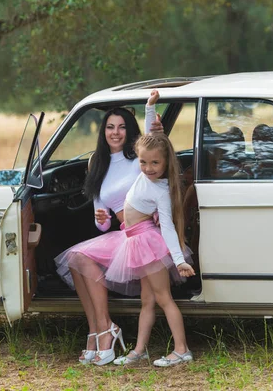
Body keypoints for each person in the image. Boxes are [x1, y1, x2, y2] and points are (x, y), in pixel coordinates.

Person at [55, 90, 163, 366]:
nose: (116, 133)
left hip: (142, 233)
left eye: (122, 127)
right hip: (119, 232)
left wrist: (150, 108)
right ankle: (96, 331)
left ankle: (106, 330)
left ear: (130, 130)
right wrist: (101, 217)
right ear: (103, 131)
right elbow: (101, 225)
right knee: (75, 260)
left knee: (78, 258)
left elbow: (154, 138)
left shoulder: (138, 156)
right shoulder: (96, 162)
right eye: (110, 127)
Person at [105, 130, 196, 367]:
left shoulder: (161, 190)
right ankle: (139, 350)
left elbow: (167, 228)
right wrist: (149, 107)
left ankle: (181, 349)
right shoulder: (143, 174)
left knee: (164, 298)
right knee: (147, 300)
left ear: (166, 162)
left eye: (155, 162)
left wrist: (178, 260)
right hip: (135, 241)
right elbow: (148, 138)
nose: (148, 168)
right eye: (143, 162)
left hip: (148, 243)